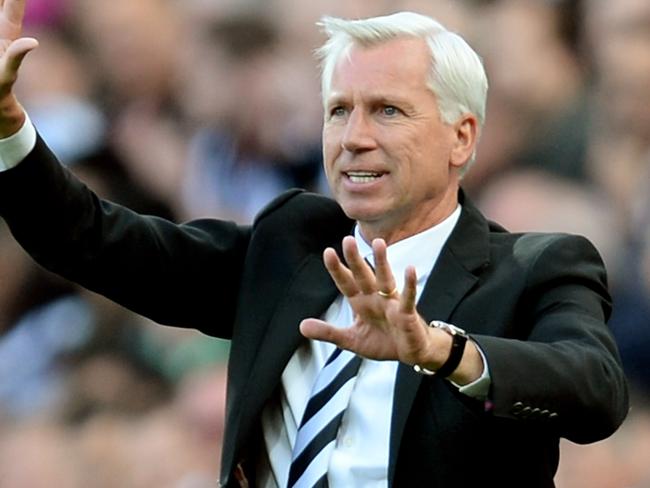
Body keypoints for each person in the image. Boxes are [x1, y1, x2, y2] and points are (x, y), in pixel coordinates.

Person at [0, 3, 628, 487]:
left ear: (461, 138)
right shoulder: (290, 245)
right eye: (337, 111)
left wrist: (438, 349)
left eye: (386, 111)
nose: (353, 137)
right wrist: (10, 129)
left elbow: (595, 390)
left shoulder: (534, 267)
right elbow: (95, 243)